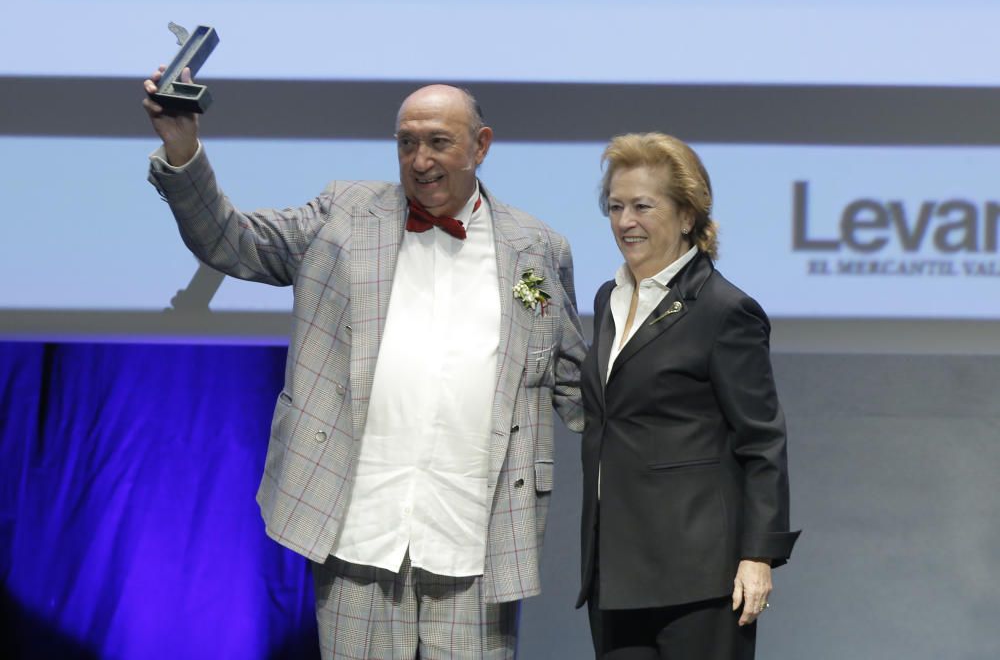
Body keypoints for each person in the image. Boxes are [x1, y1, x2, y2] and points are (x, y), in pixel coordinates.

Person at [142, 70, 585, 659]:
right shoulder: (342, 216)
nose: (419, 159)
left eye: (438, 142)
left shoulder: (538, 248)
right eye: (407, 142)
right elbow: (231, 242)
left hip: (477, 538)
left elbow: (576, 380)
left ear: (481, 146)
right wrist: (182, 146)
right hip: (360, 534)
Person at [576, 133, 800, 660]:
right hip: (616, 571)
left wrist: (757, 556)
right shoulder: (609, 297)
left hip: (700, 577)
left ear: (686, 216)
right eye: (615, 206)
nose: (625, 221)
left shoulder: (724, 310)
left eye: (642, 206)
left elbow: (762, 441)